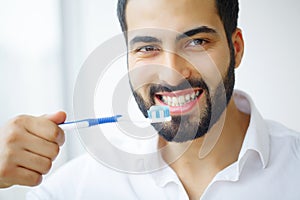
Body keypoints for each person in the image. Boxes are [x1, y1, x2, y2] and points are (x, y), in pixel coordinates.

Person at [1, 0, 300, 199]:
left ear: (236, 48)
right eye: (147, 48)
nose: (172, 75)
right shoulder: (68, 192)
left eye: (197, 42)